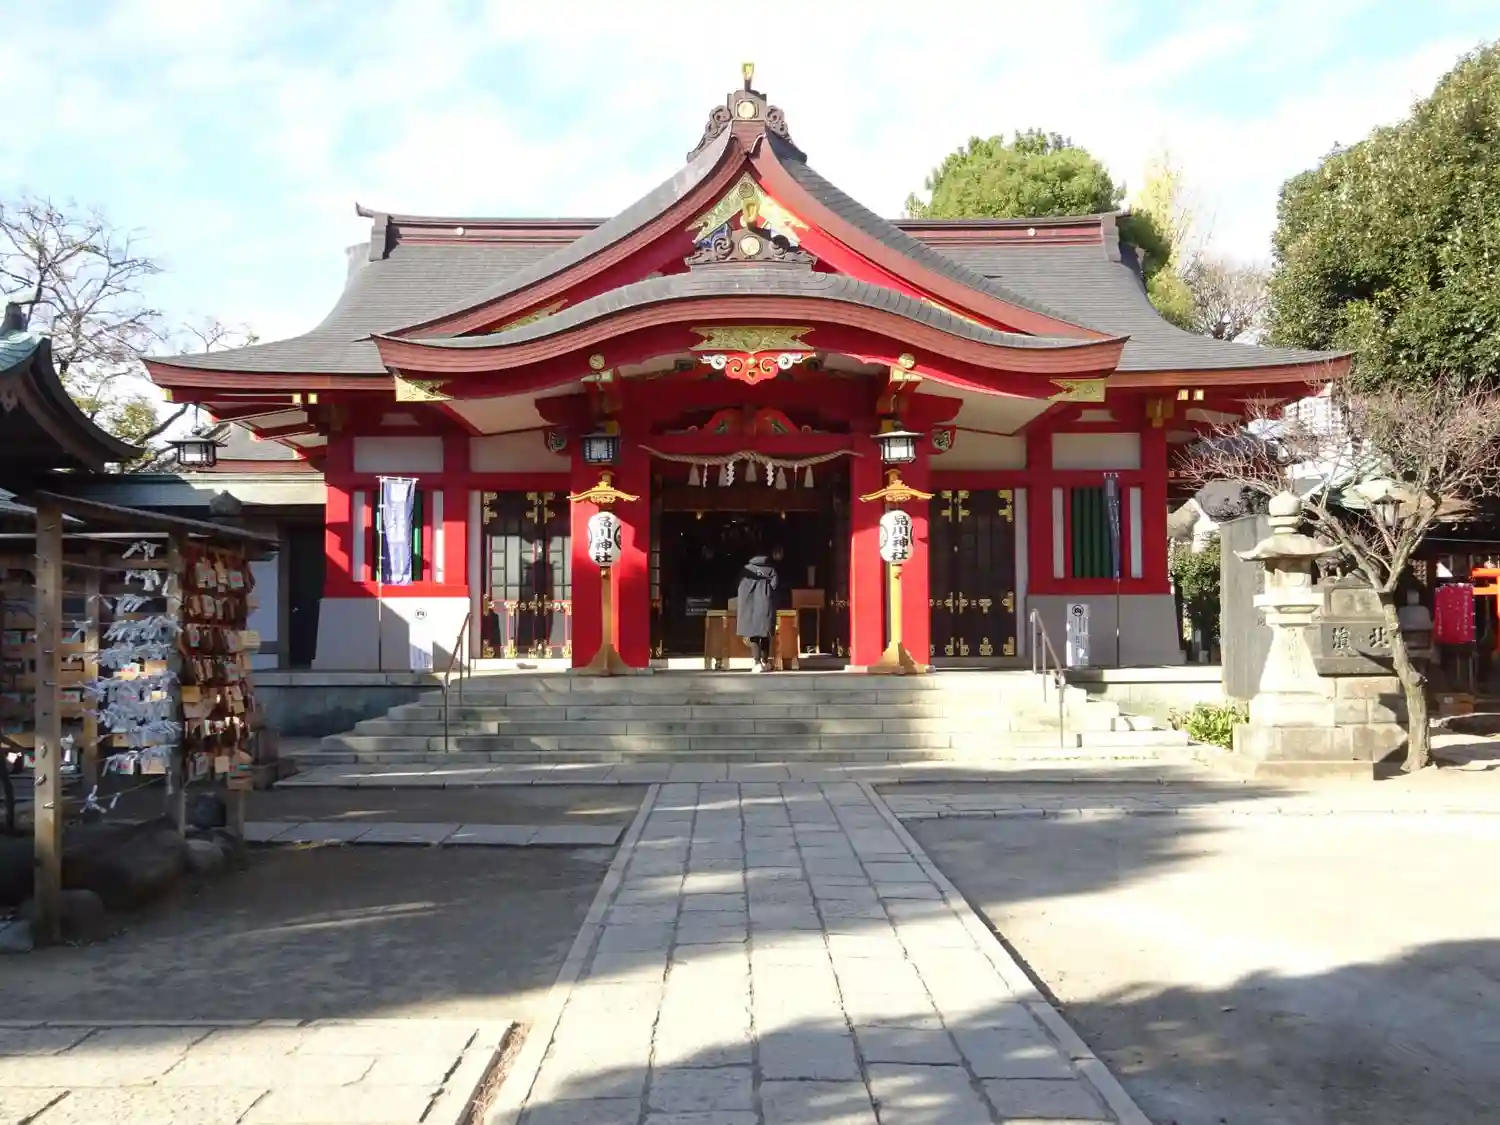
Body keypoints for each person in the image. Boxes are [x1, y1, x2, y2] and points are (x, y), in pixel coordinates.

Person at [736, 553, 779, 673]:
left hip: (751, 607)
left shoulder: (746, 570)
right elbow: (775, 586)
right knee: (765, 634)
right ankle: (765, 662)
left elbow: (741, 587)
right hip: (766, 606)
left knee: (753, 635)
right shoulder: (771, 570)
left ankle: (757, 663)